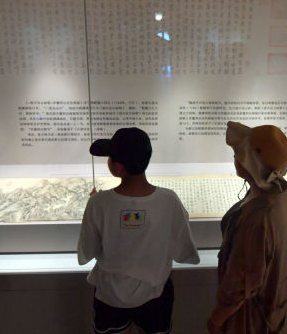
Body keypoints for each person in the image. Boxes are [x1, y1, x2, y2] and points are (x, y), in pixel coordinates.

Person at [78, 127, 200, 334]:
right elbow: (181, 249)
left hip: (110, 296)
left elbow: (88, 251)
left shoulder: (98, 203)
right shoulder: (169, 200)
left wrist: (97, 204)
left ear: (117, 167)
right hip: (155, 295)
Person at [208, 121, 287, 334]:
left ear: (252, 163)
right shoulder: (282, 193)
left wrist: (217, 319)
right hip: (272, 305)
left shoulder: (258, 217)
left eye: (240, 154)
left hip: (251, 317)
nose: (236, 157)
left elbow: (243, 281)